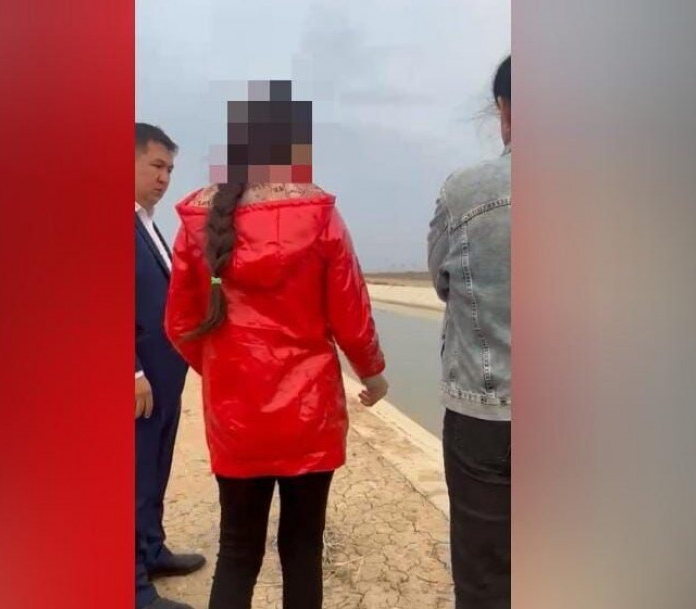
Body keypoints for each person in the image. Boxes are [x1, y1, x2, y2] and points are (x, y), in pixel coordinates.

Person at [164, 80, 389, 609]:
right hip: (309, 413)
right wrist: (373, 374)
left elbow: (179, 323)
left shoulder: (200, 219)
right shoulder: (320, 213)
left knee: (237, 552)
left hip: (236, 414)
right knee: (303, 550)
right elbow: (351, 312)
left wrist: (224, 368)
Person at [427, 55, 512, 609]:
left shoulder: (465, 191)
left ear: (504, 109)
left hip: (486, 416)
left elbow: (442, 280)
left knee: (485, 581)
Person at [135, 123, 206, 609]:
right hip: (139, 381)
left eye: (170, 169)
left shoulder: (147, 223)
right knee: (132, 477)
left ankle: (152, 551)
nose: (164, 178)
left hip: (166, 379)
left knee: (156, 469)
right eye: (156, 166)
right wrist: (131, 371)